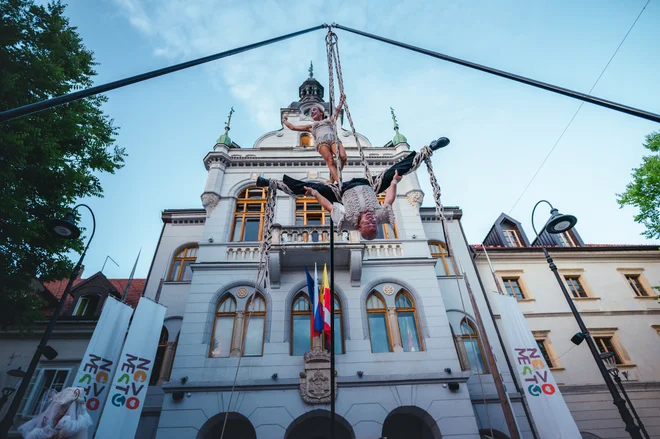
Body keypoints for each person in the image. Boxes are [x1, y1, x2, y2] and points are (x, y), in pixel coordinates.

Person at [257, 137, 450, 240]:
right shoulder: (380, 217)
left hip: (342, 191)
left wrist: (315, 194)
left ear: (359, 227)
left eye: (369, 224)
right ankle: (428, 149)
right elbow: (389, 200)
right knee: (397, 170)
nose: (372, 220)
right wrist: (393, 183)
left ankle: (271, 183)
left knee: (306, 187)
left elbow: (331, 208)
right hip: (370, 187)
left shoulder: (347, 223)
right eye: (374, 224)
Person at [282, 94, 347, 183]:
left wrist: (341, 102)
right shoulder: (311, 126)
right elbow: (293, 127)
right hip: (322, 143)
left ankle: (332, 178)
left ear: (321, 113)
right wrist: (284, 121)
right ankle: (340, 183)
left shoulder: (329, 121)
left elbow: (337, 111)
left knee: (343, 157)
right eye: (310, 111)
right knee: (330, 161)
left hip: (333, 139)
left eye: (314, 109)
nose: (311, 112)